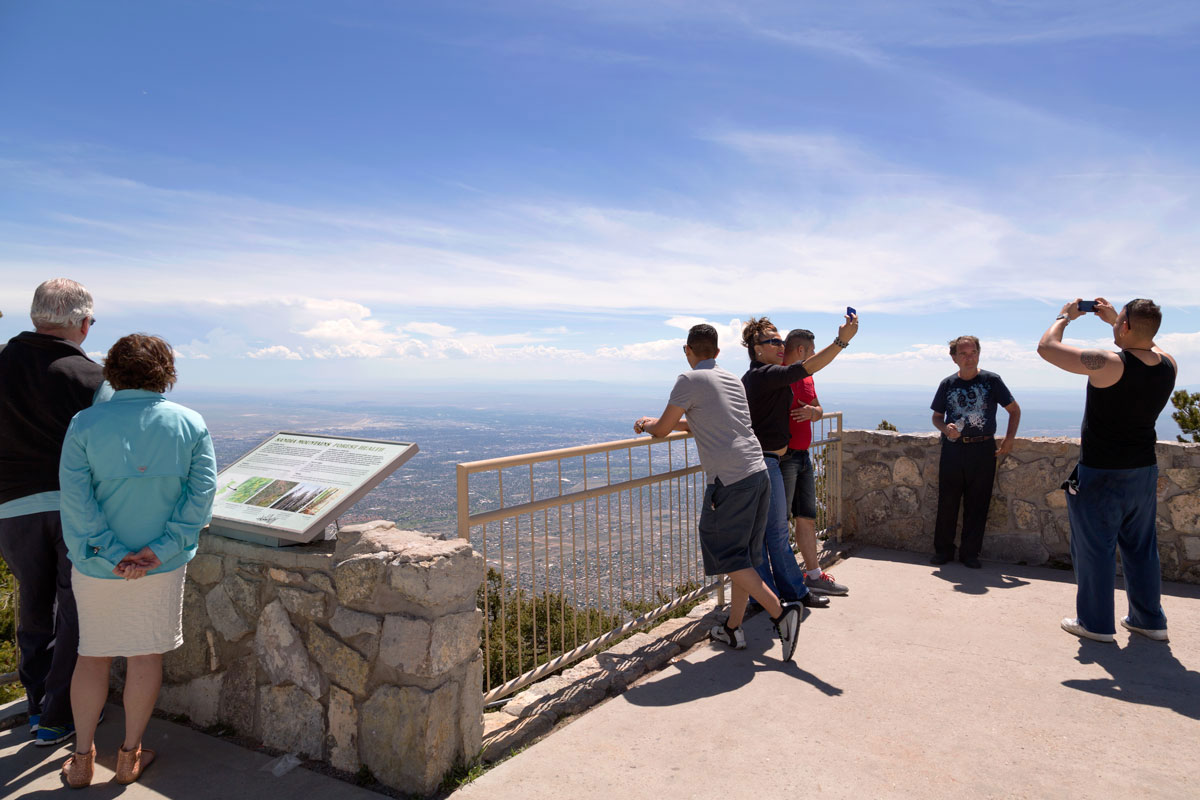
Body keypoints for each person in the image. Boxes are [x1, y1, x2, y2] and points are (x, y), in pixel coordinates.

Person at [58, 334, 216, 787]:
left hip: (96, 565)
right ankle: (129, 757)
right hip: (159, 566)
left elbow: (77, 499)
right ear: (165, 371)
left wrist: (110, 551)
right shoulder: (190, 423)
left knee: (91, 658)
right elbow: (200, 497)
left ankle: (83, 759)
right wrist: (159, 550)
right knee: (146, 657)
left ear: (112, 370)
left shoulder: (84, 424)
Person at [634, 324, 802, 660]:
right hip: (758, 472)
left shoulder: (689, 379)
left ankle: (781, 612)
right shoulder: (730, 380)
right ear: (718, 351)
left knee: (725, 554)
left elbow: (663, 430)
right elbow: (703, 420)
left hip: (730, 479)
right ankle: (732, 627)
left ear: (687, 350)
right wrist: (667, 421)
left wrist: (645, 424)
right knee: (746, 557)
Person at [0, 278, 111, 746]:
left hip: (10, 509)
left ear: (34, 316)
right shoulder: (93, 378)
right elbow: (106, 452)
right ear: (84, 324)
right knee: (75, 609)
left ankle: (35, 704)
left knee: (33, 604)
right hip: (74, 509)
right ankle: (57, 714)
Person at [1037, 298, 1176, 644]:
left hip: (1102, 472)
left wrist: (1064, 316)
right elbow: (1150, 343)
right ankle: (1149, 619)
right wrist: (1118, 320)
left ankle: (1095, 623)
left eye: (1119, 324)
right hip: (1143, 471)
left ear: (1126, 327)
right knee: (1142, 548)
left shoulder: (1110, 364)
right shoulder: (1169, 364)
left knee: (1095, 549)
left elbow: (1047, 347)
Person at [741, 313, 858, 609]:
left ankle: (770, 594)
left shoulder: (764, 376)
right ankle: (792, 593)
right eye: (773, 341)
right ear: (757, 348)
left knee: (770, 532)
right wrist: (841, 341)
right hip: (767, 462)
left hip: (771, 461)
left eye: (781, 340)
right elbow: (808, 366)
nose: (780, 345)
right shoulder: (764, 375)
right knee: (776, 532)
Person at [929, 336, 1020, 569]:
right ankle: (943, 551)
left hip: (982, 448)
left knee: (978, 503)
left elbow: (1014, 410)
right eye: (963, 354)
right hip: (953, 449)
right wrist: (944, 428)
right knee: (947, 501)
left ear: (979, 354)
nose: (969, 358)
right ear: (954, 358)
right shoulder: (947, 384)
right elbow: (937, 417)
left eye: (973, 353)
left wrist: (1009, 440)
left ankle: (970, 553)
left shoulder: (992, 380)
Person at [780, 328, 847, 595]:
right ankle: (783, 581)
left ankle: (813, 575)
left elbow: (819, 409)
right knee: (779, 524)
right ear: (801, 351)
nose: (813, 355)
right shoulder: (779, 376)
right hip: (783, 458)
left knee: (806, 518)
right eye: (811, 350)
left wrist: (812, 412)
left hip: (803, 456)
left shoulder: (807, 377)